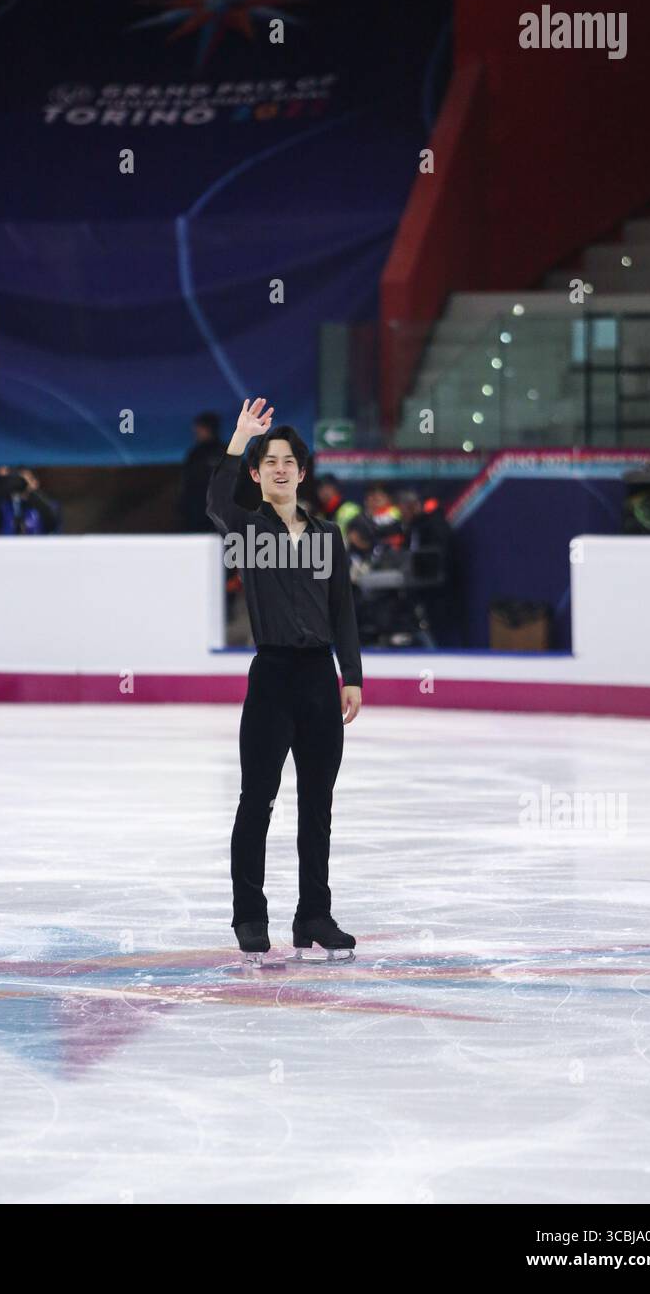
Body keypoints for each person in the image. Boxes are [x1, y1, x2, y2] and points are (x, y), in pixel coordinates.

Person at [206, 397, 362, 964]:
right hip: (271, 678)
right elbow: (216, 501)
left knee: (317, 804)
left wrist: (353, 677)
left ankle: (313, 916)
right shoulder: (247, 531)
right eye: (267, 461)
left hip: (321, 677)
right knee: (257, 800)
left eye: (287, 461)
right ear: (256, 473)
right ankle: (250, 915)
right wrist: (238, 437)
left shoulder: (327, 538)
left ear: (302, 471)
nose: (278, 468)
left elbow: (344, 610)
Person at [179, 411, 227, 532]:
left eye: (199, 429)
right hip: (197, 511)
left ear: (207, 429)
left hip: (220, 513)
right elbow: (187, 483)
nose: (196, 433)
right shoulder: (195, 454)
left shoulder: (226, 453)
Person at [0, 467, 61, 535]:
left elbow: (52, 522)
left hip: (36, 551)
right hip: (8, 551)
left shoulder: (48, 505)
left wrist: (30, 492)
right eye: (18, 479)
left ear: (35, 482)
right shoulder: (3, 506)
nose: (21, 483)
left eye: (26, 479)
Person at [313, 472, 361, 540]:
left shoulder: (350, 509)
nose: (324, 491)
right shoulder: (319, 513)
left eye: (328, 488)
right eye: (321, 488)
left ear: (336, 489)